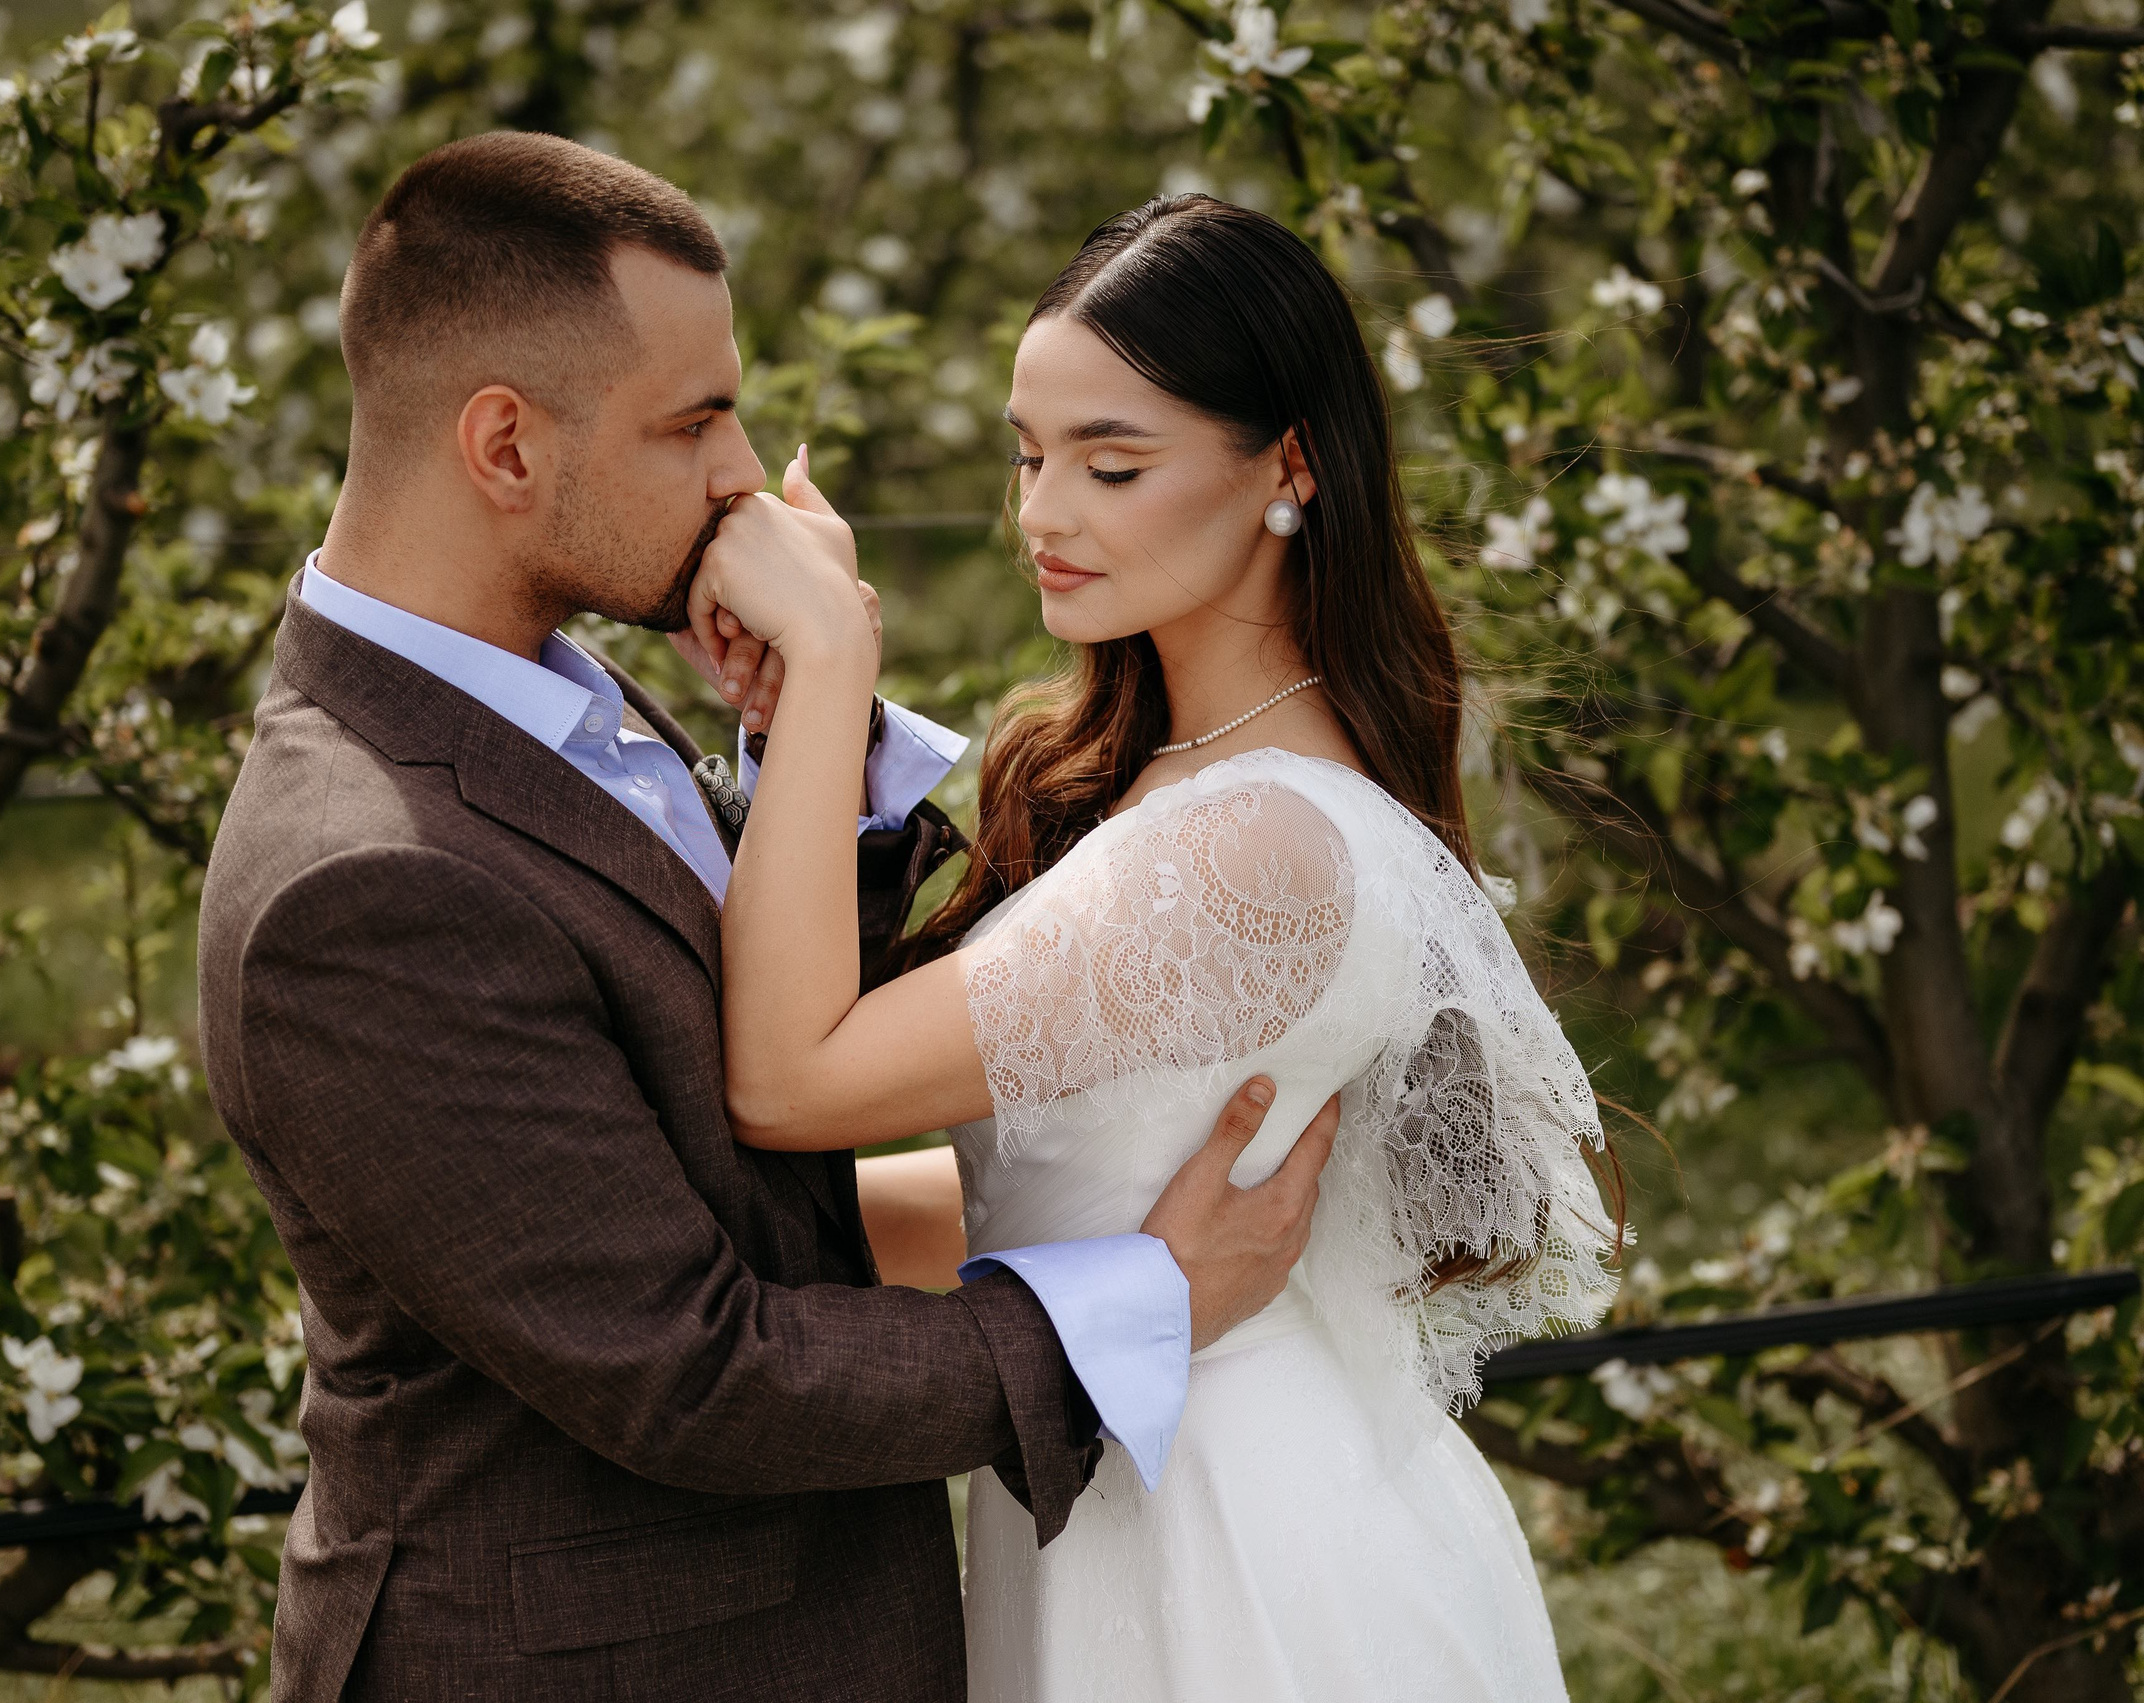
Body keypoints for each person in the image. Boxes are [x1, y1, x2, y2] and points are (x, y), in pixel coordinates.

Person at [198, 137, 1345, 1703]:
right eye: (695, 422)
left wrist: (821, 730)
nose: (745, 474)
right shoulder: (363, 882)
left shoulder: (551, 693)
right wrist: (1149, 1300)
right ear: (506, 447)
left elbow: (732, 1094)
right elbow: (697, 1371)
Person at [691, 193, 1623, 1701]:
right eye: (1029, 452)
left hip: (1233, 1549)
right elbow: (1044, 1189)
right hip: (1128, 1482)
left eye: (1113, 465)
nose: (1043, 513)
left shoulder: (1253, 846)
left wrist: (828, 665)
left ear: (1291, 469)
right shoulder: (1180, 786)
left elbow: (793, 1080)